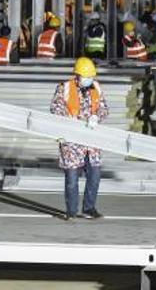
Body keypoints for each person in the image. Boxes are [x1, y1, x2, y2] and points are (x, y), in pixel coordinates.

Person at [50, 57, 109, 221]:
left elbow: (104, 108)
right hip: (72, 141)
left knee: (95, 176)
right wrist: (70, 121)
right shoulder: (64, 88)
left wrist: (96, 117)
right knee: (72, 179)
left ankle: (89, 209)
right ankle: (71, 211)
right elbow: (55, 108)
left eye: (91, 76)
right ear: (77, 75)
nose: (89, 79)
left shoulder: (96, 87)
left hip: (92, 141)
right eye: (86, 76)